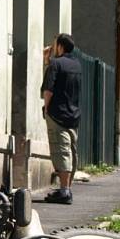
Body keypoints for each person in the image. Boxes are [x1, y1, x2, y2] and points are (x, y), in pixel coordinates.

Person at [41, 33, 81, 205]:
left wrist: (47, 107)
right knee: (71, 150)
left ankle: (64, 191)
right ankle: (67, 188)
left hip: (57, 113)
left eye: (54, 44)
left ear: (60, 47)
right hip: (73, 114)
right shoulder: (77, 65)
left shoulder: (55, 64)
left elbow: (49, 89)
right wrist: (47, 61)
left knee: (60, 150)